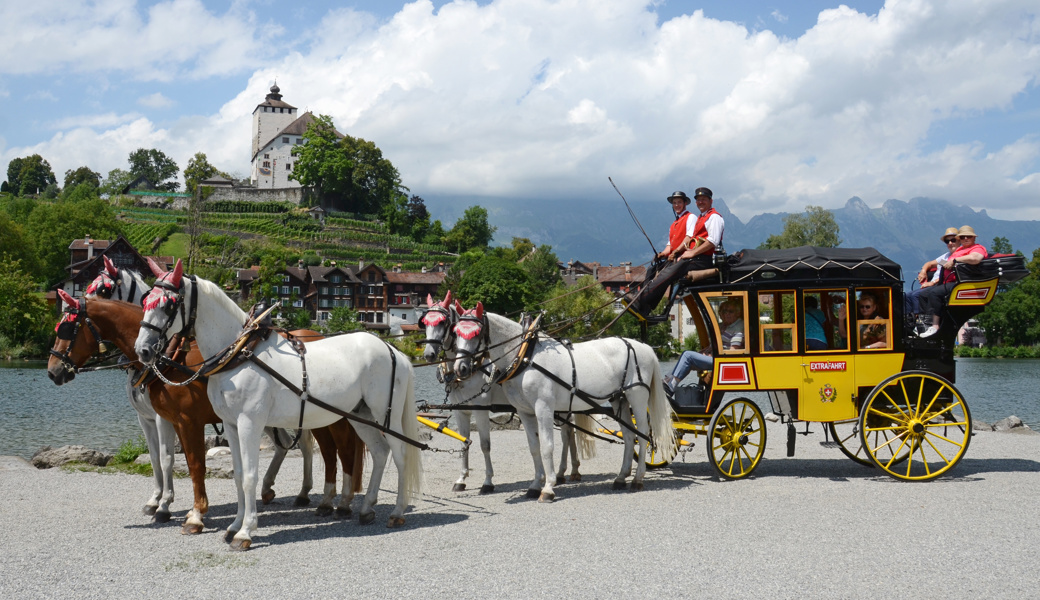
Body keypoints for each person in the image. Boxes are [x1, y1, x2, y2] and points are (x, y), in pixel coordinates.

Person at [627, 187, 724, 320]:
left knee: (671, 270)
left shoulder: (712, 217)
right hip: (694, 256)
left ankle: (641, 298)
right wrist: (663, 254)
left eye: (704, 199)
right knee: (653, 268)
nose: (701, 202)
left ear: (711, 201)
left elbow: (712, 241)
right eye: (699, 200)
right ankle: (645, 306)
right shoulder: (697, 219)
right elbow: (672, 244)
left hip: (704, 258)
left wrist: (686, 253)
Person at [918, 225, 988, 338]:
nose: (966, 238)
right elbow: (941, 262)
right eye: (963, 237)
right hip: (947, 281)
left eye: (968, 236)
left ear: (974, 238)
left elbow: (976, 258)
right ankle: (923, 324)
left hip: (962, 282)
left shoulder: (977, 248)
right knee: (923, 294)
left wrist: (956, 260)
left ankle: (935, 326)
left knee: (934, 293)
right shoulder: (960, 250)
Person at [664, 298, 743, 390]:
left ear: (738, 313)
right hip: (716, 358)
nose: (727, 314)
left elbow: (733, 350)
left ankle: (671, 385)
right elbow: (712, 346)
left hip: (723, 361)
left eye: (730, 311)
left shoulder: (739, 326)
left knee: (687, 355)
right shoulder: (722, 326)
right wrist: (701, 353)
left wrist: (711, 355)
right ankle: (667, 380)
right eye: (724, 311)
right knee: (686, 358)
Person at [904, 227, 959, 320]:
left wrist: (932, 283)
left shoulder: (958, 256)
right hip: (934, 283)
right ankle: (908, 320)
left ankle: (921, 320)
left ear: (959, 240)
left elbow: (950, 275)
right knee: (907, 296)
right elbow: (929, 263)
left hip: (941, 284)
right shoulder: (946, 256)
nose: (950, 243)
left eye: (953, 240)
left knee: (916, 296)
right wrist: (923, 271)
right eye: (947, 241)